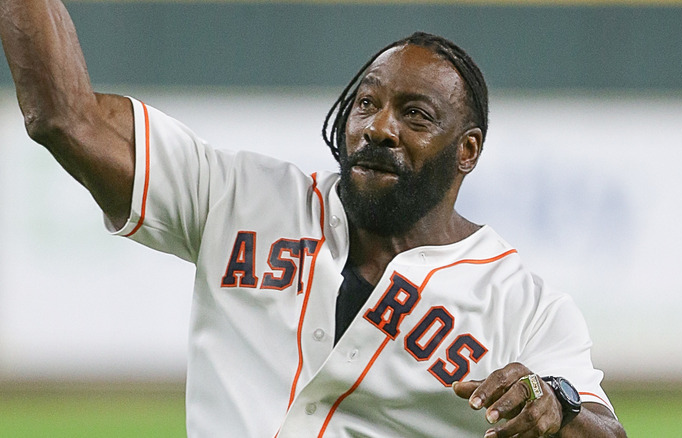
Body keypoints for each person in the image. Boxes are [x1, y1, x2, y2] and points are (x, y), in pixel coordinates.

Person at [0, 1, 626, 437]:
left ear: (467, 151)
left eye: (415, 114)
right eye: (366, 103)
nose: (380, 126)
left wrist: (557, 404)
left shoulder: (521, 304)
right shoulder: (238, 196)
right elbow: (65, 117)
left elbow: (602, 428)